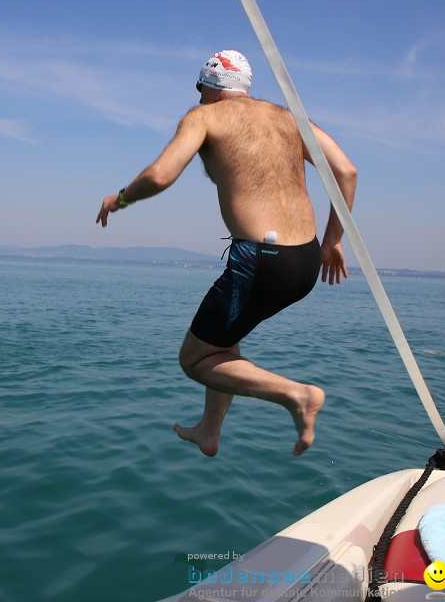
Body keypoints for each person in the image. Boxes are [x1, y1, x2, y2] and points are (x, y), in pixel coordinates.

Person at [95, 50, 357, 457]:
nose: (198, 98)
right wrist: (332, 241)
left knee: (195, 359)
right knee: (223, 343)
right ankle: (209, 431)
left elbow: (161, 174)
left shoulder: (204, 117)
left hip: (261, 261)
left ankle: (297, 396)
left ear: (208, 87)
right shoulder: (289, 118)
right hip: (304, 260)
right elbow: (346, 171)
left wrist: (120, 199)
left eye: (200, 90)